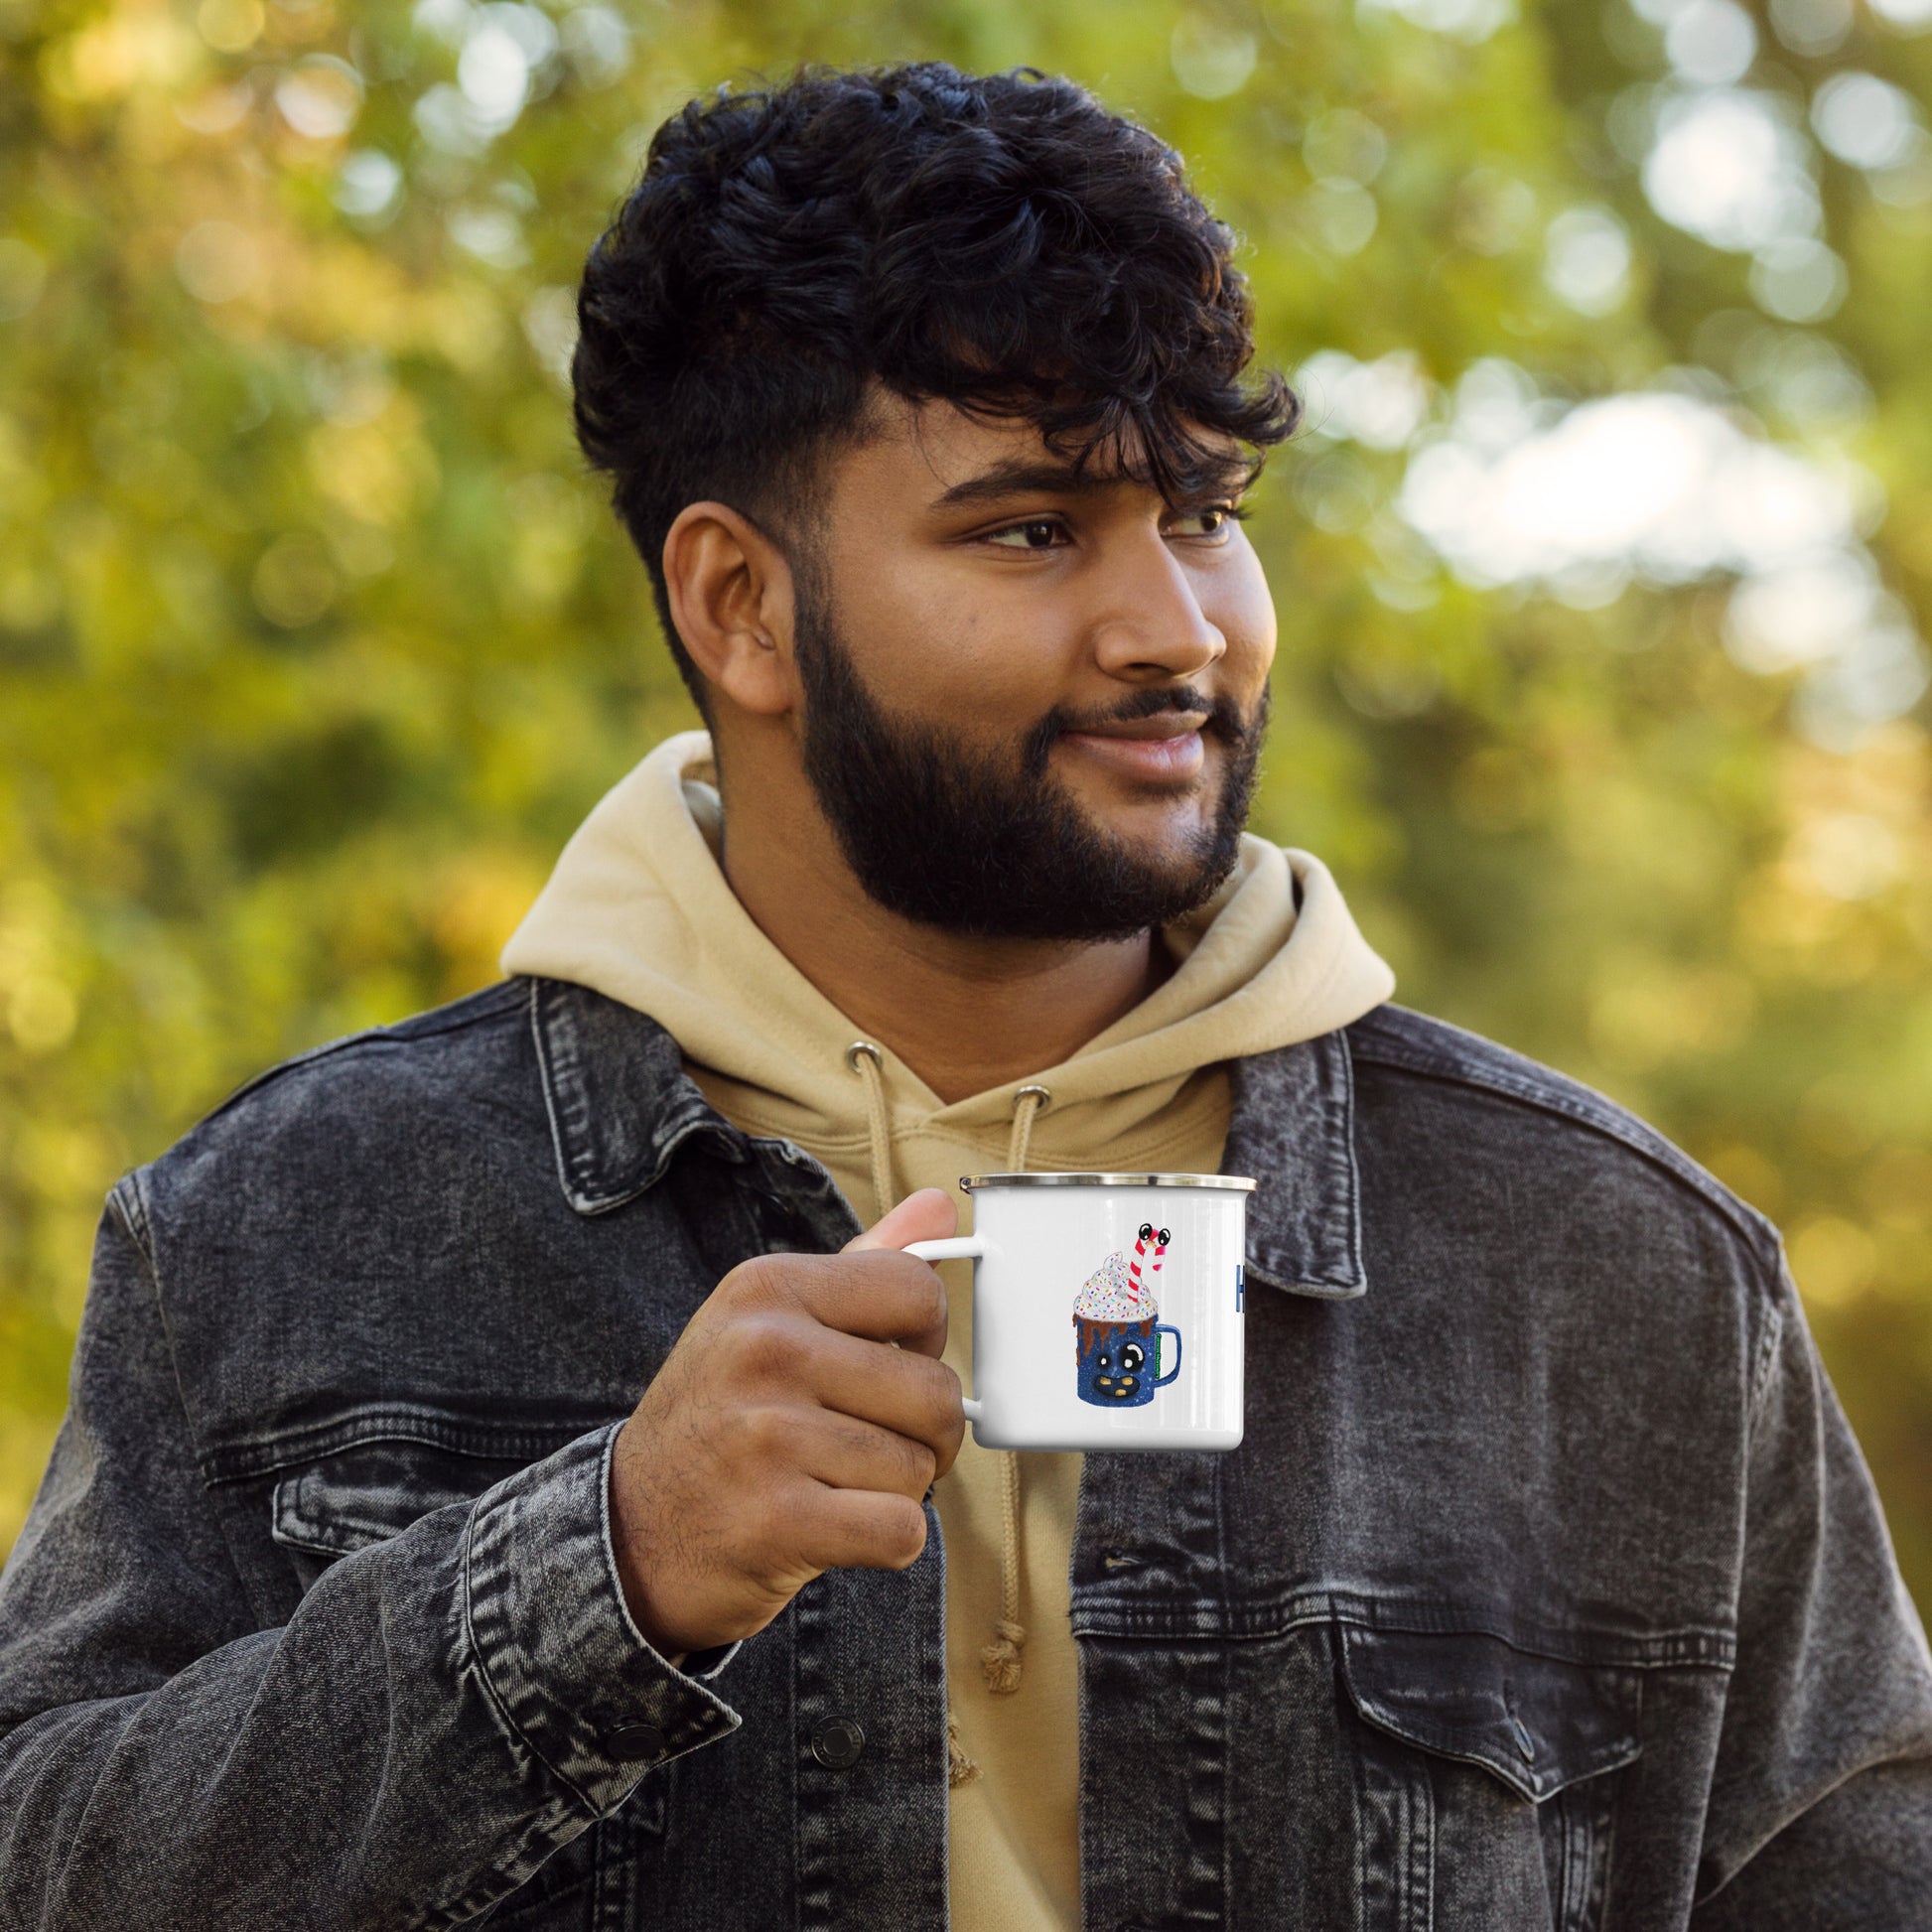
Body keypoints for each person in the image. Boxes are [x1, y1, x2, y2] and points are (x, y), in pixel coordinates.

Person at [1, 60, 1928, 1932]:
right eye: (1030, 527)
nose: (1175, 629)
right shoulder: (279, 1232)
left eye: (1204, 509)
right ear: (737, 606)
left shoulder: (1619, 1272)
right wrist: (596, 1573)